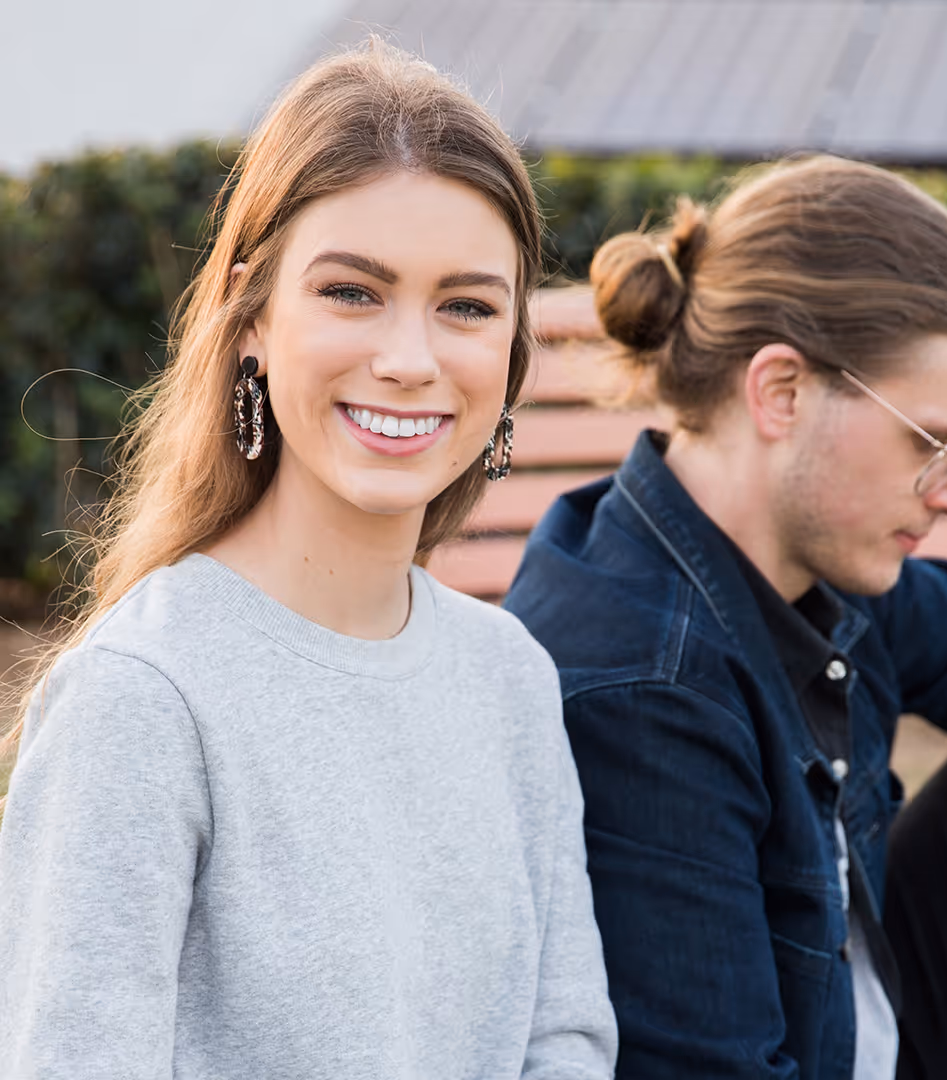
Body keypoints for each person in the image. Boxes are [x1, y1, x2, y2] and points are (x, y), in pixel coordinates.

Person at [0, 41, 617, 1079]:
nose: (410, 359)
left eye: (468, 306)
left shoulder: (511, 675)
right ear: (253, 318)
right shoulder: (142, 697)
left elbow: (567, 1043)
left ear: (513, 354)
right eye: (352, 292)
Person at [503, 156, 947, 1080]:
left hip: (863, 1035)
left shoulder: (822, 562)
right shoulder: (646, 689)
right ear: (781, 392)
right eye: (935, 443)